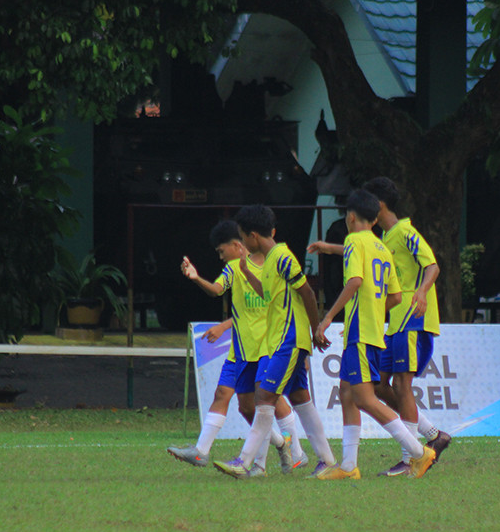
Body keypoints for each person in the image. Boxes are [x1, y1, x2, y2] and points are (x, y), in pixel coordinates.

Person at [308, 177, 450, 476]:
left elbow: (358, 279)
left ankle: (416, 451)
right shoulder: (382, 246)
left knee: (372, 395)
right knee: (351, 391)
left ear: (351, 216)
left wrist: (329, 316)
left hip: (388, 324)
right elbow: (394, 295)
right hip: (381, 329)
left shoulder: (394, 234)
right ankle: (349, 466)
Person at [166, 220, 308, 475]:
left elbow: (277, 306)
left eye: (221, 251)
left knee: (270, 401)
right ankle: (276, 445)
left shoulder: (273, 267)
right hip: (241, 350)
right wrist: (196, 278)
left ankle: (293, 453)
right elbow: (217, 290)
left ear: (237, 244)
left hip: (267, 348)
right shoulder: (234, 268)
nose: (221, 257)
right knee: (241, 404)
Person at [212, 205, 337, 478]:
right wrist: (245, 272)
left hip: (289, 339)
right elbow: (270, 295)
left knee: (265, 397)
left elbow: (306, 292)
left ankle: (247, 462)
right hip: (281, 340)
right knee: (300, 399)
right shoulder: (269, 260)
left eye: (243, 238)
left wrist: (315, 329)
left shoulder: (281, 257)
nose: (242, 244)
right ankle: (327, 460)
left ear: (253, 236)